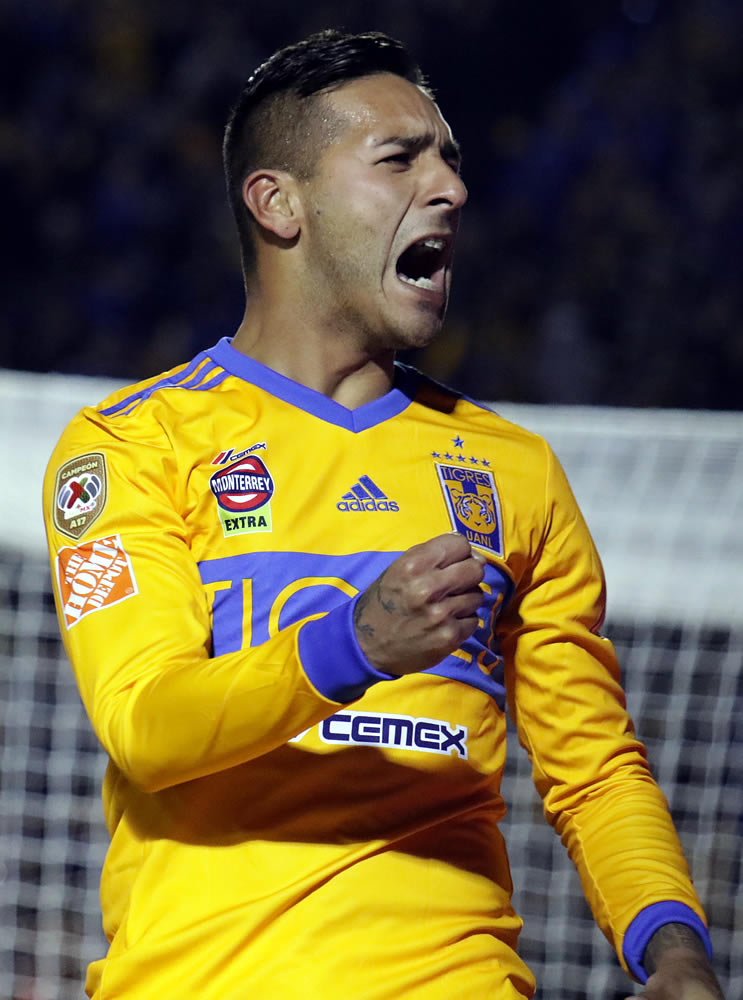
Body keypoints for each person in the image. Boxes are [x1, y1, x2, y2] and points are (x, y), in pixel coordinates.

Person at [43, 29, 724, 1000]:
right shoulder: (130, 445)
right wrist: (355, 642)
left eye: (449, 159)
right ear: (278, 204)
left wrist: (673, 949)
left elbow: (592, 766)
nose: (446, 187)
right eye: (399, 158)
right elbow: (147, 723)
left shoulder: (512, 470)